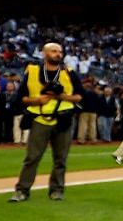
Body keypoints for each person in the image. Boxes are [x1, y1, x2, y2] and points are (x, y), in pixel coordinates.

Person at [10, 41, 80, 202]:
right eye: (54, 51)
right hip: (39, 118)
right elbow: (20, 98)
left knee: (60, 159)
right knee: (32, 157)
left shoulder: (69, 73)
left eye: (60, 52)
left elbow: (80, 96)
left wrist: (62, 97)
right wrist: (37, 101)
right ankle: (22, 190)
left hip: (63, 118)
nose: (58, 54)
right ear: (45, 53)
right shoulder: (32, 72)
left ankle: (57, 190)